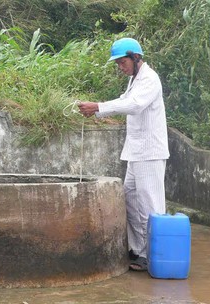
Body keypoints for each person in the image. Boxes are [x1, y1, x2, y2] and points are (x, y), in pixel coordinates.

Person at [77, 38, 169, 272]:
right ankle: (138, 251)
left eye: (122, 61)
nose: (120, 66)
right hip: (136, 152)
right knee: (130, 199)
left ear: (136, 57)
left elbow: (135, 105)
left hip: (149, 153)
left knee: (150, 205)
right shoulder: (134, 79)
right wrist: (98, 109)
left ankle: (154, 255)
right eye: (118, 63)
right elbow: (124, 101)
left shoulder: (149, 79)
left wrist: (98, 107)